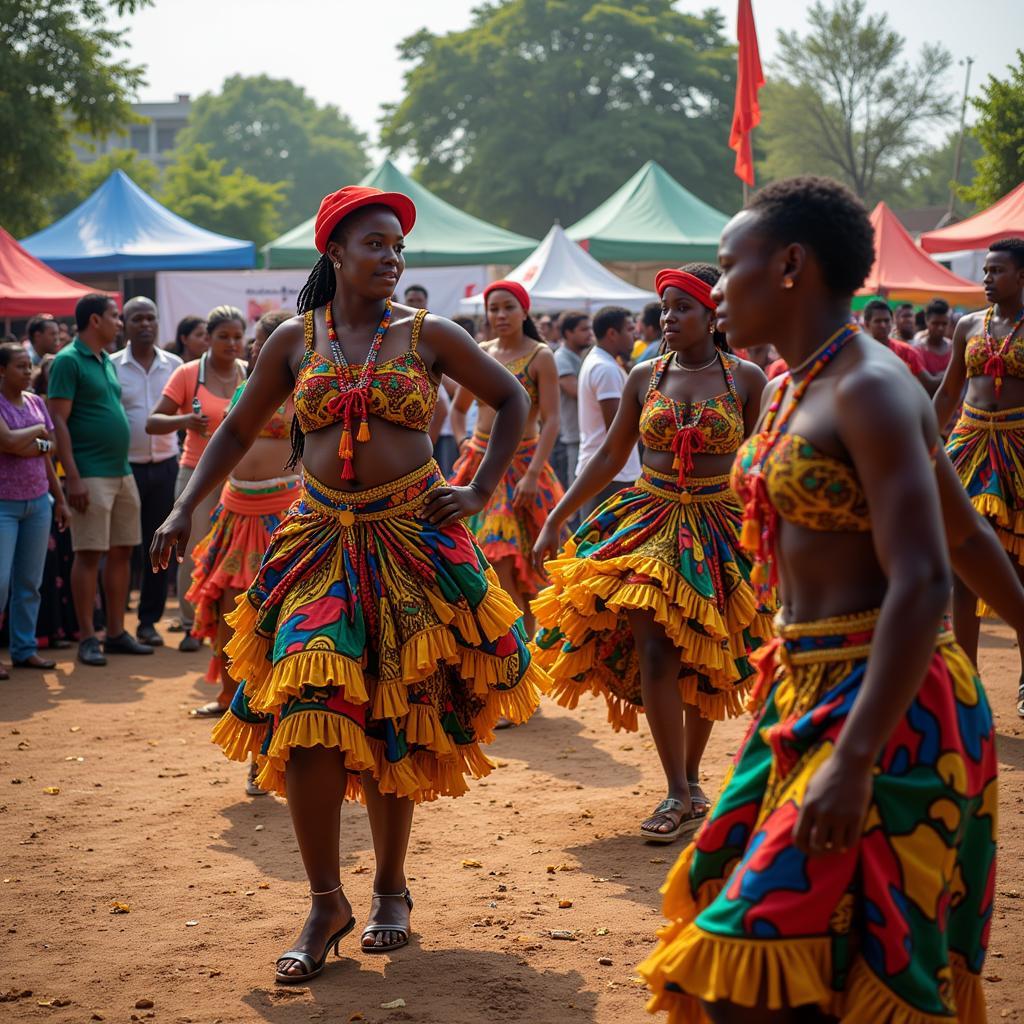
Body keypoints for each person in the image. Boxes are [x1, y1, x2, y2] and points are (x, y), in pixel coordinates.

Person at [150, 185, 545, 981]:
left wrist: (477, 488)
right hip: (321, 544)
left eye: (398, 247)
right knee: (306, 711)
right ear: (334, 252)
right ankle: (326, 898)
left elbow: (512, 399)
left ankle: (391, 888)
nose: (390, 259)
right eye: (375, 244)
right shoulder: (297, 339)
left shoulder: (428, 334)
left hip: (415, 541)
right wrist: (184, 506)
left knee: (401, 708)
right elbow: (231, 427)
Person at [639, 176, 996, 1024]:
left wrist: (857, 756)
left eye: (729, 267)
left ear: (792, 265)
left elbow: (929, 574)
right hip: (800, 694)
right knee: (737, 917)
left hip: (890, 706)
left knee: (759, 963)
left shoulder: (869, 386)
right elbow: (970, 535)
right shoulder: (799, 380)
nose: (716, 290)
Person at [533, 265, 771, 842]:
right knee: (657, 654)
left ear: (712, 315)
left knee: (705, 659)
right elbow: (612, 456)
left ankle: (691, 781)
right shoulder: (643, 375)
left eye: (681, 308)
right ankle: (676, 789)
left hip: (720, 526)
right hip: (652, 521)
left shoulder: (747, 380)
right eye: (663, 309)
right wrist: (560, 514)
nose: (668, 319)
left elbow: (763, 461)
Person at [184, 309, 298, 763]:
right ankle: (239, 716)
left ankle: (269, 749)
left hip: (282, 518)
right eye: (256, 341)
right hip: (234, 515)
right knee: (232, 620)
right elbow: (226, 442)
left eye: (262, 341)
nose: (253, 348)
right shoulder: (246, 389)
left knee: (274, 630)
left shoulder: (306, 388)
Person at [937, 236, 1024, 714]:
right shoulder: (968, 324)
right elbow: (949, 392)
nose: (987, 278)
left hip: (1019, 453)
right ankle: (966, 685)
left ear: (1022, 277)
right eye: (985, 271)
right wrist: (922, 444)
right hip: (968, 449)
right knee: (963, 569)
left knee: (1019, 566)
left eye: (997, 271)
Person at [449, 280, 563, 631]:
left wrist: (532, 474)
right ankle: (502, 643)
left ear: (524, 311)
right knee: (486, 558)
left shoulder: (540, 356)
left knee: (524, 562)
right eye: (493, 308)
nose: (500, 315)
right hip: (479, 466)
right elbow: (458, 409)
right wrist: (463, 442)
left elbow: (552, 420)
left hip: (525, 468)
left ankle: (520, 645)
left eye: (508, 307)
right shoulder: (480, 352)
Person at [47, 294, 153, 666]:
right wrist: (71, 476)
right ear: (95, 320)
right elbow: (57, 420)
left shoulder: (106, 359)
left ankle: (115, 632)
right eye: (114, 316)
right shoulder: (67, 361)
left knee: (123, 550)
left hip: (121, 472)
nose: (119, 323)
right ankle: (87, 637)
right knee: (89, 554)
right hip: (88, 474)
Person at [147, 306, 247, 651]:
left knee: (235, 551)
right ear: (208, 338)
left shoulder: (250, 373)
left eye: (237, 337)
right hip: (195, 475)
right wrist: (185, 420)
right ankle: (192, 624)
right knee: (192, 551)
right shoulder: (188, 374)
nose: (231, 343)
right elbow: (153, 421)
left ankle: (231, 622)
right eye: (223, 336)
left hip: (240, 478)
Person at [111, 298, 182, 647]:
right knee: (125, 546)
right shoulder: (111, 366)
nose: (145, 324)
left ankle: (148, 622)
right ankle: (114, 621)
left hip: (168, 466)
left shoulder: (175, 365)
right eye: (137, 318)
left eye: (150, 318)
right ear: (123, 324)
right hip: (125, 469)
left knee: (160, 546)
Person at [0, 343, 70, 677]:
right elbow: (10, 443)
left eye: (29, 366)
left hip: (39, 501)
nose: (28, 372)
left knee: (30, 582)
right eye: (19, 366)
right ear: (2, 370)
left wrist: (60, 500)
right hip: (4, 505)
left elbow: (49, 450)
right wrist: (34, 435)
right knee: (0, 582)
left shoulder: (36, 401)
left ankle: (24, 650)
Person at [575, 307, 641, 517]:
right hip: (611, 475)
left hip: (606, 471)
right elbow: (617, 427)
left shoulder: (602, 362)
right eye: (630, 329)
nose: (635, 335)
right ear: (612, 333)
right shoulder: (606, 369)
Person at [550, 311, 592, 495]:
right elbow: (576, 391)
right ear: (568, 333)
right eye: (583, 329)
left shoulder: (580, 356)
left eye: (589, 328)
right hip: (570, 436)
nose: (589, 333)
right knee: (573, 493)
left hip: (582, 436)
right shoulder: (562, 358)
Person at [862, 298, 938, 392]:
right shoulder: (859, 353)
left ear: (892, 321)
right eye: (878, 321)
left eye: (886, 320)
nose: (883, 325)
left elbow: (928, 384)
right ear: (866, 324)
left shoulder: (907, 352)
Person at [916, 296, 953, 375]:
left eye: (944, 324)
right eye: (935, 323)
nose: (940, 328)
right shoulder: (918, 349)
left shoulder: (953, 348)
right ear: (927, 321)